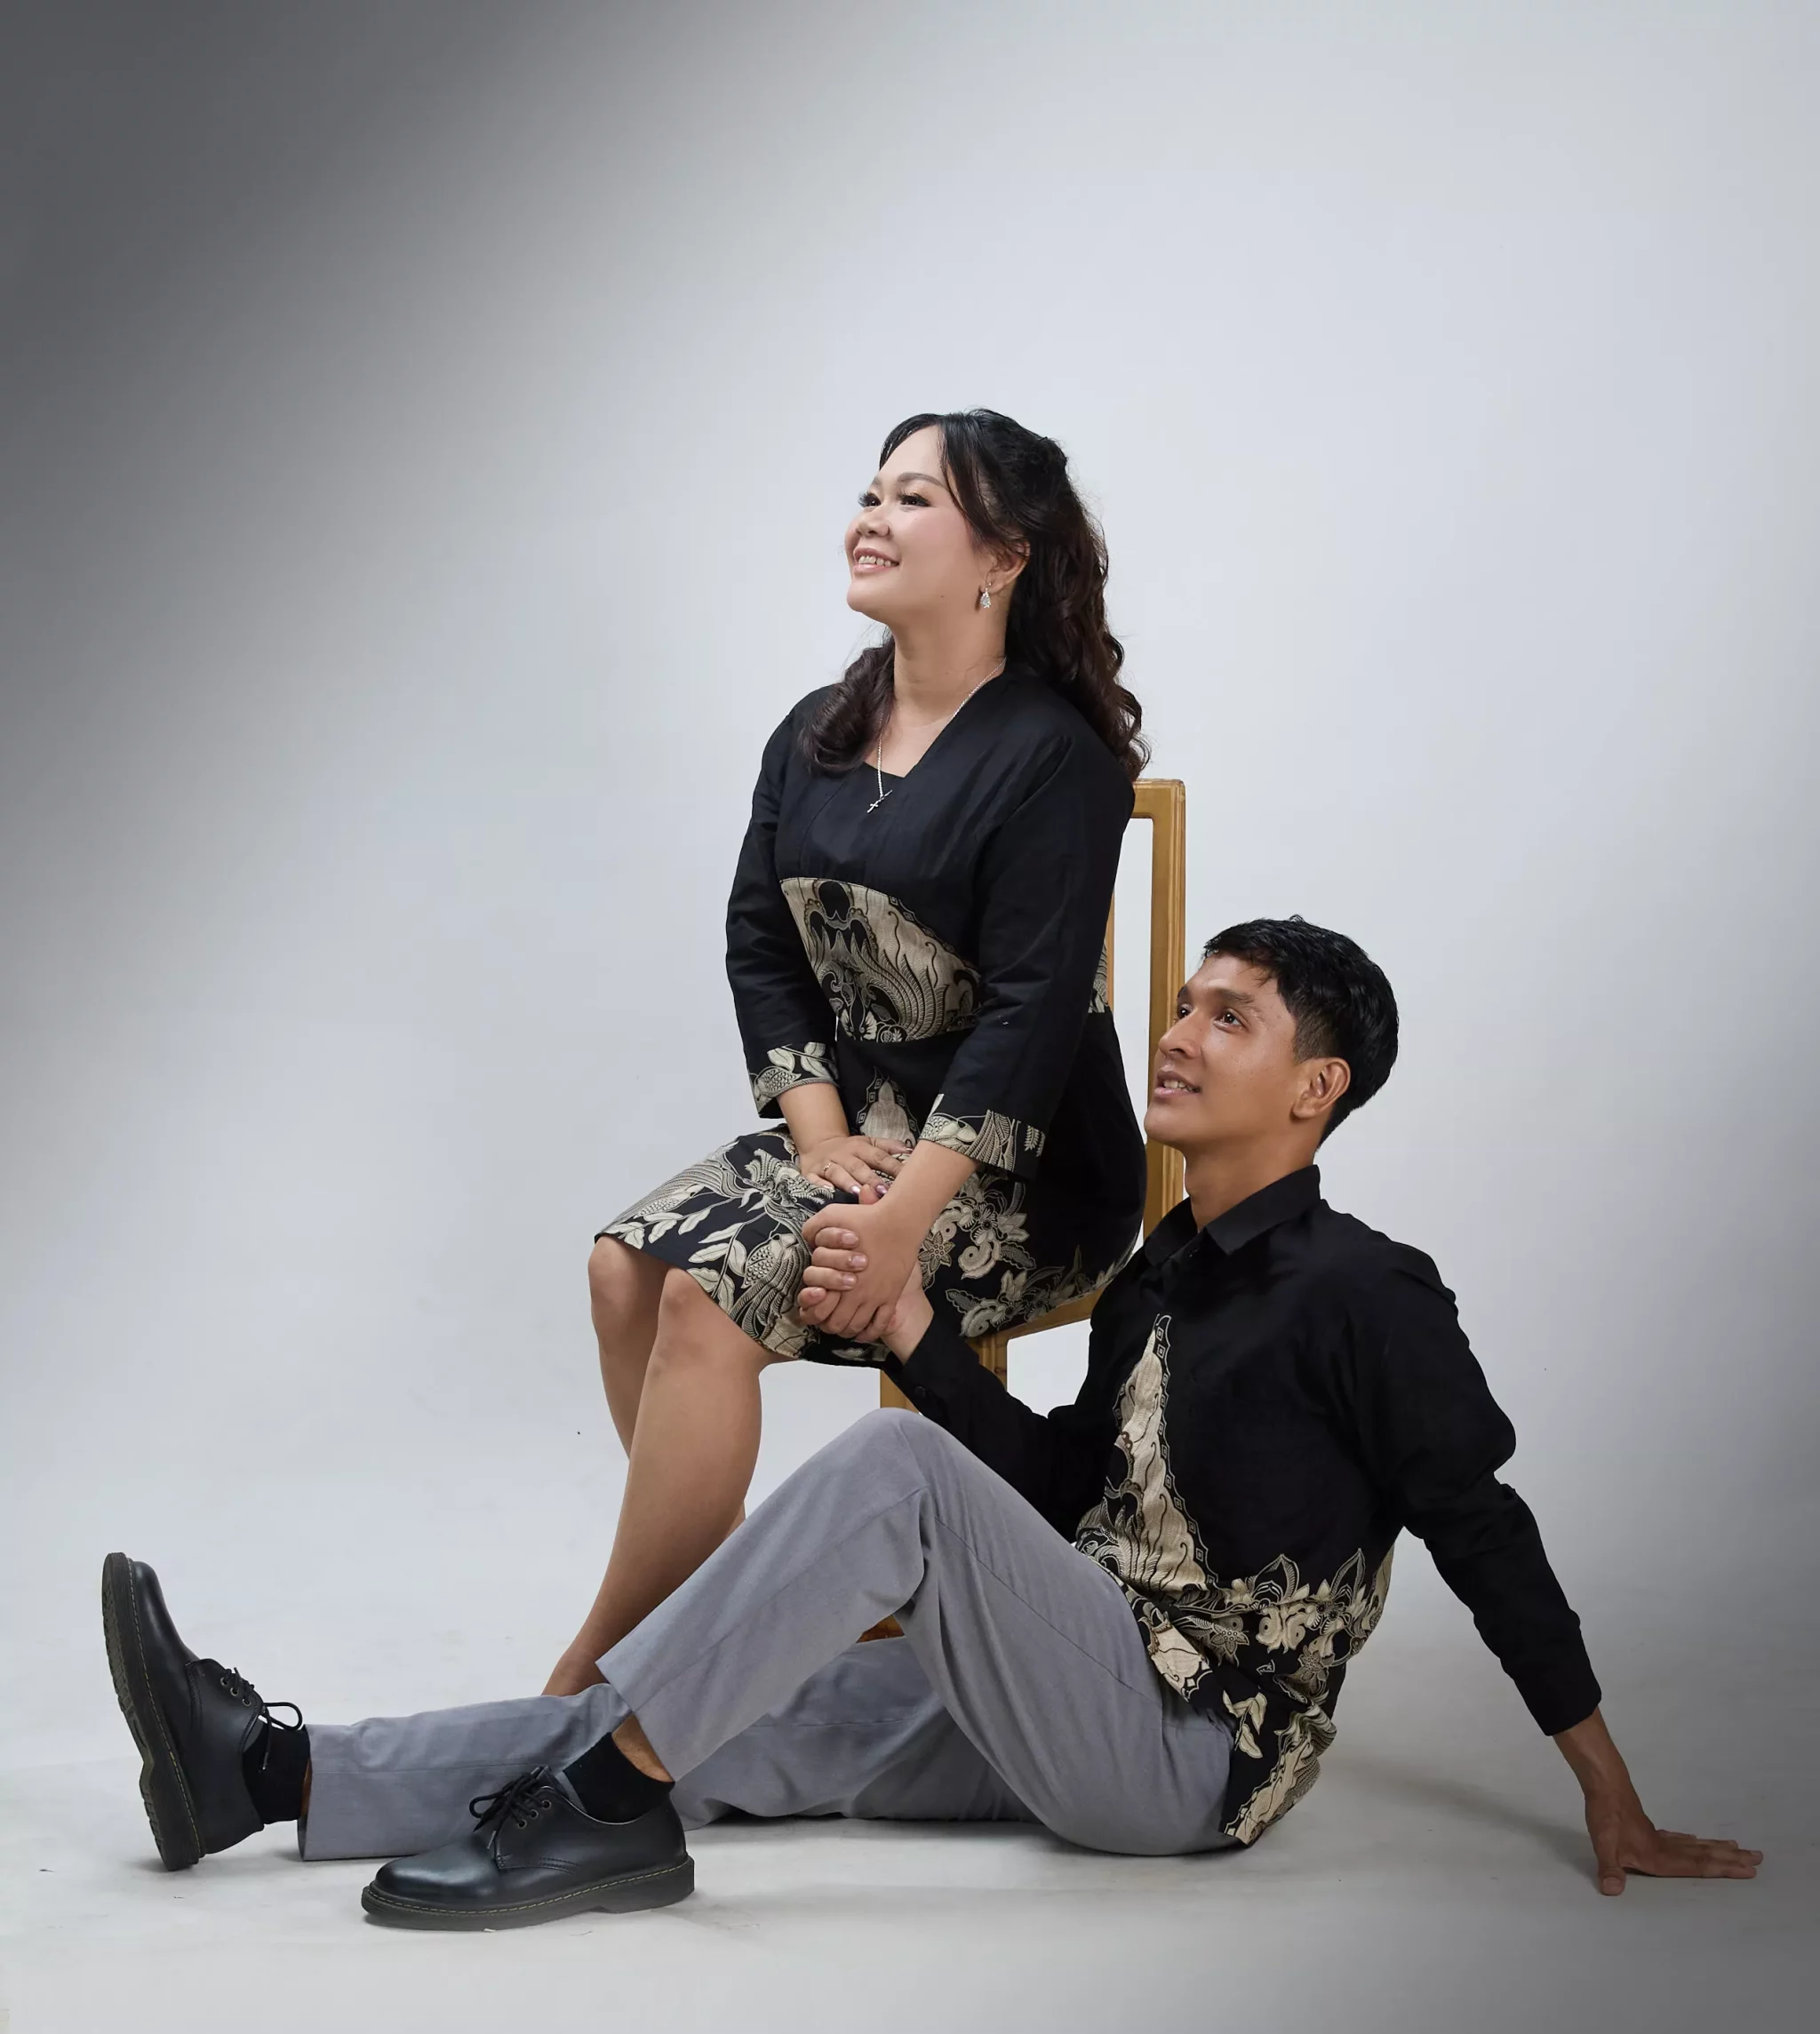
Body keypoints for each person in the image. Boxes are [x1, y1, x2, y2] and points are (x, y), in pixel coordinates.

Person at [100, 918, 1761, 1923]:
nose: (1177, 1035)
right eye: (1183, 1003)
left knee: (880, 1479)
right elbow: (1061, 1490)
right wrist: (920, 1333)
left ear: (1317, 1089)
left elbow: (1484, 1529)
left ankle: (600, 1814)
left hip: (1192, 1751)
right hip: (1074, 1676)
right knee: (718, 1712)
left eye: (1229, 1018)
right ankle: (269, 1773)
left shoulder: (1369, 1294)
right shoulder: (1159, 1276)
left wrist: (1606, 1787)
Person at [545, 409, 1148, 1695]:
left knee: (705, 1300)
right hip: (857, 1138)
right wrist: (818, 1135)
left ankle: (593, 1690)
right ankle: (710, 1634)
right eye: (872, 493)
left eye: (913, 500)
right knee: (619, 1270)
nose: (870, 520)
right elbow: (758, 941)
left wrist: (899, 1220)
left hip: (1025, 1179)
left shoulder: (1057, 761)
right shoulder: (817, 730)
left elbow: (1032, 1017)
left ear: (1004, 555)